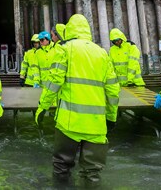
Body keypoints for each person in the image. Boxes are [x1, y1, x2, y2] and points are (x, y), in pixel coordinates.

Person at [36, 14, 119, 186]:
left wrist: (42, 108)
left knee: (62, 166)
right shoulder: (102, 53)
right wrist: (111, 117)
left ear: (70, 29)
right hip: (96, 125)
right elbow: (113, 90)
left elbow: (53, 83)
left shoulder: (65, 49)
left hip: (69, 123)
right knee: (92, 171)